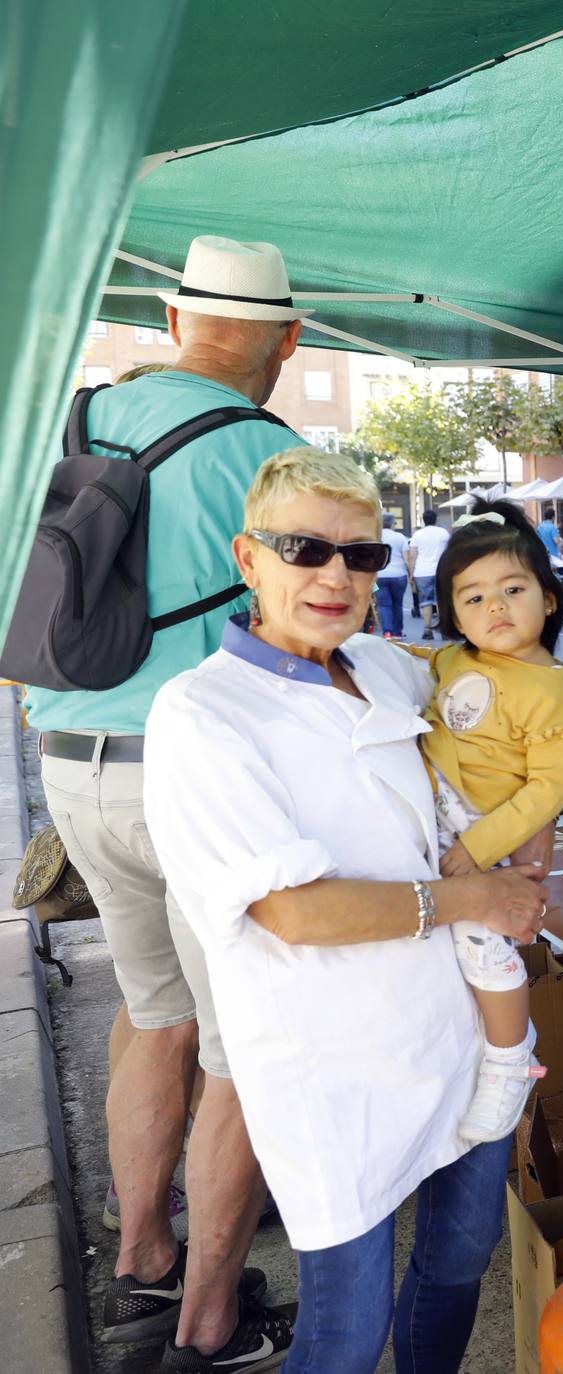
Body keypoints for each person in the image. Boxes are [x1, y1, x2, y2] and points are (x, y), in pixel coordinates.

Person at [143, 447, 551, 1374]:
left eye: (360, 555)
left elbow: (499, 734)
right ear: (249, 560)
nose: (335, 576)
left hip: (455, 1043)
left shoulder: (386, 669)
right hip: (334, 1079)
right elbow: (293, 913)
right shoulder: (203, 715)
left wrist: (535, 805)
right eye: (305, 550)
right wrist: (473, 895)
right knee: (344, 1330)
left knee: (456, 1267)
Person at [27, 235, 309, 1366]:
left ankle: (142, 1256)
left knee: (153, 1016)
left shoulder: (80, 421)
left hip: (71, 756)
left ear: (174, 317)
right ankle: (208, 1325)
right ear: (289, 341)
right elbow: (316, 633)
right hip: (193, 775)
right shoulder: (270, 452)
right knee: (243, 1048)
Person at [412, 501, 563, 1144]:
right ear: (453, 614)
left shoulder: (553, 692)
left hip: (484, 831)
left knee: (484, 950)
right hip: (431, 814)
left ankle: (511, 1061)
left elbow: (548, 791)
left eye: (513, 590)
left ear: (548, 598)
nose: (496, 608)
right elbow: (421, 668)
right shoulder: (458, 661)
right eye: (474, 597)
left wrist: (479, 847)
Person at [406, 506, 451, 639]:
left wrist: (411, 573)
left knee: (425, 601)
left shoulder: (417, 535)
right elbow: (449, 551)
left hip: (422, 572)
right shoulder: (444, 533)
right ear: (436, 519)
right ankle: (444, 629)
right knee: (441, 600)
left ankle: (427, 629)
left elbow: (412, 556)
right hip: (441, 570)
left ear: (423, 520)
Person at [375, 511, 411, 638]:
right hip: (399, 575)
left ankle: (387, 632)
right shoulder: (400, 537)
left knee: (383, 604)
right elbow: (407, 557)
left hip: (378, 576)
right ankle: (397, 632)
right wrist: (410, 573)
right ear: (392, 524)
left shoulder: (375, 537)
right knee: (398, 604)